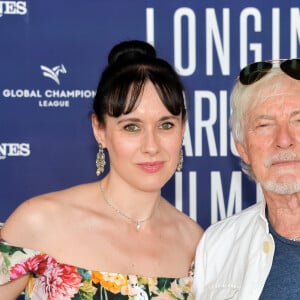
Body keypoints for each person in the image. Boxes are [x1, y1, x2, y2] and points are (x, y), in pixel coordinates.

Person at [0, 40, 203, 299]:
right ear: (100, 130)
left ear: (183, 128)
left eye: (166, 125)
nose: (151, 146)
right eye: (132, 126)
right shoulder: (39, 222)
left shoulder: (196, 244)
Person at [193, 59, 300, 299]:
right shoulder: (218, 246)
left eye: (299, 121)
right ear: (242, 148)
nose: (284, 139)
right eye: (264, 125)